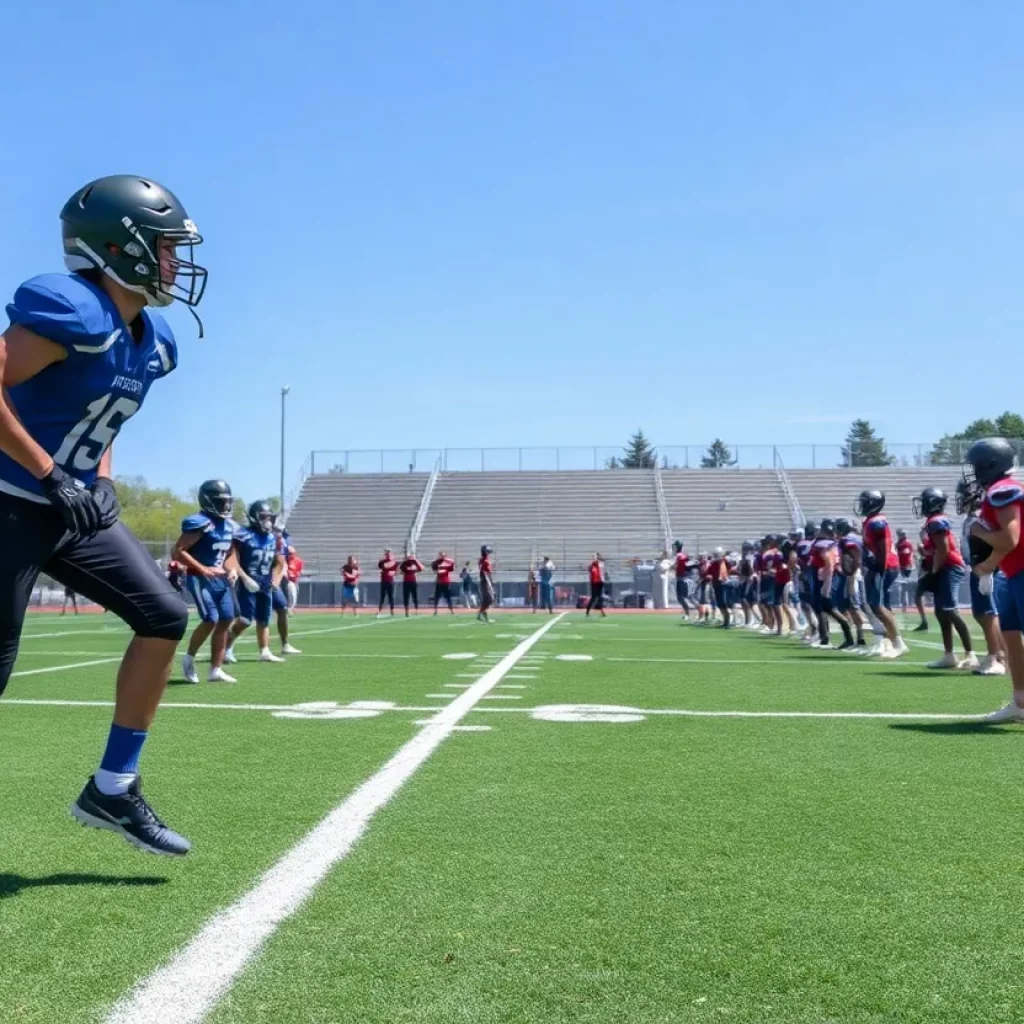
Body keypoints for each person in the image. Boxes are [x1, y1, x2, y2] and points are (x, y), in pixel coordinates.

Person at [0, 175, 203, 855]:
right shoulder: (73, 313)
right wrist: (51, 473)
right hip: (10, 502)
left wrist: (99, 478)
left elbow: (103, 414)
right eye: (167, 248)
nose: (176, 263)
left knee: (164, 614)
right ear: (122, 248)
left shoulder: (151, 339)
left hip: (69, 507)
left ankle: (112, 789)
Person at [962, 439, 1024, 722]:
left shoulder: (1003, 490)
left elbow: (1010, 538)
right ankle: (1021, 703)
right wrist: (988, 565)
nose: (973, 472)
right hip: (1013, 572)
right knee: (1011, 636)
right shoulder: (997, 491)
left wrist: (979, 532)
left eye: (976, 466)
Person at [176, 480, 241, 685]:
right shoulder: (199, 523)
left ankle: (216, 669)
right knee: (210, 619)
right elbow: (178, 552)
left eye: (227, 502)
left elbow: (230, 553)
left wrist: (232, 570)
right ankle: (189, 658)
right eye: (221, 502)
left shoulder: (230, 525)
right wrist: (203, 568)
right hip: (200, 578)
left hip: (221, 579)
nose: (226, 506)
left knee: (226, 619)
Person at [914, 487, 975, 670]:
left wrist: (933, 570)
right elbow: (937, 549)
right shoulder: (933, 521)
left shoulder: (936, 522)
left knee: (949, 609)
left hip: (949, 567)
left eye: (925, 501)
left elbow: (944, 549)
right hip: (944, 566)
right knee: (941, 611)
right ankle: (949, 655)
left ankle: (970, 654)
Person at [225, 500, 287, 664]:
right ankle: (227, 648)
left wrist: (275, 579)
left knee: (264, 619)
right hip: (248, 581)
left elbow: (280, 561)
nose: (268, 521)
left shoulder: (272, 537)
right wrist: (244, 578)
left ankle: (265, 651)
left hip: (265, 582)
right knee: (245, 619)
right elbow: (232, 559)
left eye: (269, 517)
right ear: (254, 517)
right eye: (263, 517)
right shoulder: (242, 534)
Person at [958, 478, 1006, 676]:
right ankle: (999, 654)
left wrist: (988, 568)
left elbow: (996, 542)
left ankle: (995, 655)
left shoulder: (981, 517)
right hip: (978, 567)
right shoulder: (975, 517)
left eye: (963, 495)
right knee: (981, 613)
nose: (961, 498)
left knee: (988, 613)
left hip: (985, 568)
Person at [855, 489, 907, 659]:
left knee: (877, 605)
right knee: (877, 605)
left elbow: (883, 547)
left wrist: (879, 567)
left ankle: (898, 643)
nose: (861, 504)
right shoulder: (870, 521)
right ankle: (890, 642)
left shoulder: (877, 522)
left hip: (885, 566)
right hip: (879, 565)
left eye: (864, 501)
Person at [671, 540, 692, 621]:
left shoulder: (680, 556)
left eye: (675, 546)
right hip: (681, 578)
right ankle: (687, 613)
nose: (673, 548)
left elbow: (677, 566)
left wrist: (668, 567)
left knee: (682, 597)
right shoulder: (680, 556)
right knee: (680, 598)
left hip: (683, 579)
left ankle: (688, 613)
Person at [431, 550, 456, 615]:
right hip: (439, 581)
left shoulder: (448, 562)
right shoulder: (436, 562)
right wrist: (438, 571)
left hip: (445, 581)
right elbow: (434, 570)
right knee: (437, 596)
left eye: (443, 555)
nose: (442, 556)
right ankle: (435, 610)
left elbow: (452, 568)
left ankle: (452, 610)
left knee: (448, 596)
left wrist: (443, 570)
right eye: (441, 555)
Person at [400, 551, 425, 616]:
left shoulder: (415, 563)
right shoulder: (405, 563)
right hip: (406, 582)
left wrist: (416, 560)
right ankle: (406, 611)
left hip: (413, 581)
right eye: (409, 556)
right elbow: (401, 570)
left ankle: (416, 610)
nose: (411, 557)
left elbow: (422, 568)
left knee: (415, 596)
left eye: (412, 556)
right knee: (406, 596)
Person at [585, 552, 607, 618]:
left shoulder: (601, 564)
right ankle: (588, 610)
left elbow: (602, 561)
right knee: (594, 597)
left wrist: (597, 558)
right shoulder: (593, 565)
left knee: (599, 597)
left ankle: (601, 611)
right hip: (594, 582)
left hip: (600, 582)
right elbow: (590, 569)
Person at [378, 548, 398, 616]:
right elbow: (381, 568)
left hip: (390, 581)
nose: (388, 554)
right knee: (382, 597)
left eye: (388, 553)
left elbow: (396, 570)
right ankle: (379, 610)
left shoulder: (393, 561)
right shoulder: (382, 561)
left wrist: (393, 572)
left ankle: (392, 611)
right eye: (386, 553)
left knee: (391, 597)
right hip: (384, 581)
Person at [478, 544, 495, 622]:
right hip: (485, 580)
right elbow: (485, 573)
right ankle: (481, 613)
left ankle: (482, 615)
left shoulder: (483, 560)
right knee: (490, 599)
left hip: (484, 580)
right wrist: (489, 584)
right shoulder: (485, 561)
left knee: (486, 600)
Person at [284, 545, 303, 612]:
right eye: (288, 553)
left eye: (291, 553)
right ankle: (289, 607)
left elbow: (300, 571)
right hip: (287, 581)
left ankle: (293, 607)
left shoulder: (298, 561)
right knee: (290, 593)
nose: (289, 555)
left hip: (295, 580)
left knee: (296, 593)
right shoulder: (286, 560)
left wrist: (296, 574)